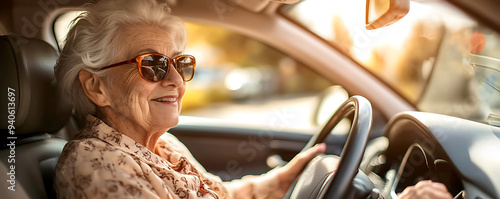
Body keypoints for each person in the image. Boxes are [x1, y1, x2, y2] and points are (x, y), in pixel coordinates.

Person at [53, 0, 453, 198]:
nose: (176, 79)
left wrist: (279, 181)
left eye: (182, 63)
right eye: (153, 64)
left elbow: (219, 194)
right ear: (96, 87)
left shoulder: (160, 145)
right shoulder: (92, 166)